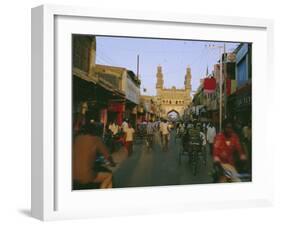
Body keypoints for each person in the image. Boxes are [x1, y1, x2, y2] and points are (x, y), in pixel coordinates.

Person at [72, 123, 115, 189]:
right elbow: (107, 156)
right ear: (95, 131)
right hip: (86, 176)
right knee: (109, 175)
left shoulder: (77, 138)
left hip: (72, 174)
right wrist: (112, 163)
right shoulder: (96, 139)